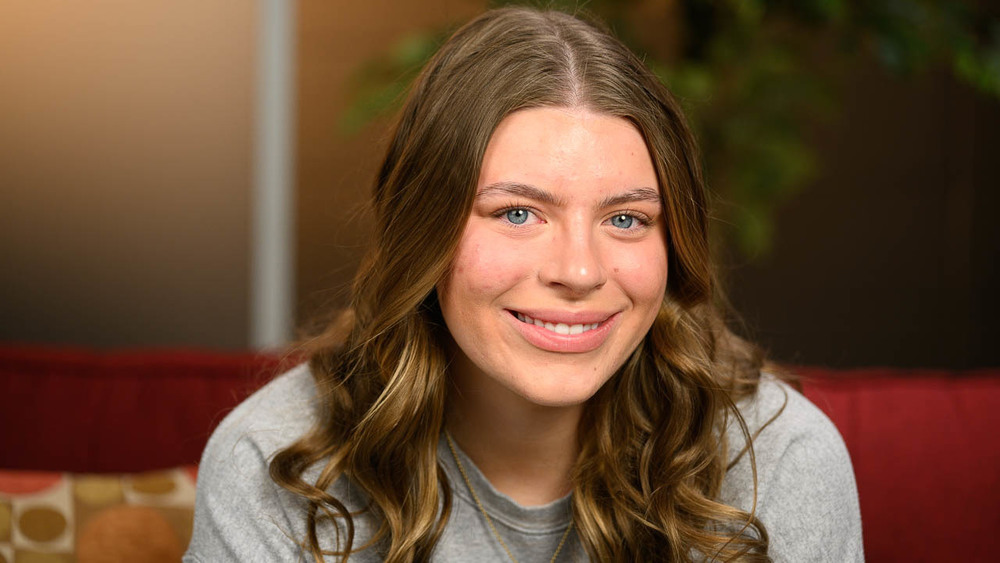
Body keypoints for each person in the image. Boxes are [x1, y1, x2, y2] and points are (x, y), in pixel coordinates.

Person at [184, 6, 863, 562]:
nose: (579, 270)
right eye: (517, 212)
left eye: (625, 217)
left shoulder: (777, 460)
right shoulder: (278, 464)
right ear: (425, 230)